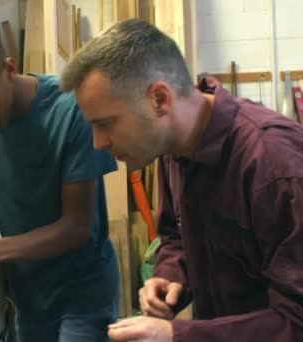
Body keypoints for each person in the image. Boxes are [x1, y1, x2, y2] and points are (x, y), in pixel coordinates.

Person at [61, 18, 303, 342]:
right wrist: (170, 274)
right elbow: (175, 235)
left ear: (160, 99)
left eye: (106, 123)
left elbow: (297, 321)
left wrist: (178, 335)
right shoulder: (172, 147)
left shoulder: (274, 166)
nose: (98, 142)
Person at [0, 22, 120, 341]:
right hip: (28, 293)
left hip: (82, 294)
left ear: (9, 69)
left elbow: (77, 227)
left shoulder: (71, 110)